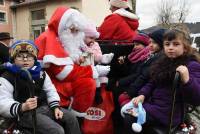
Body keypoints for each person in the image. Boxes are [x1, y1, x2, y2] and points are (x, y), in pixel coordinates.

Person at [123, 28, 200, 134]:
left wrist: (187, 80)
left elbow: (196, 98)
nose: (171, 48)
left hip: (169, 113)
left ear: (185, 48)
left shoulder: (192, 65)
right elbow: (152, 82)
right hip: (154, 106)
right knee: (126, 110)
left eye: (176, 44)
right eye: (167, 44)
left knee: (130, 118)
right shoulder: (163, 62)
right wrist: (142, 95)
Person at [34, 7, 109, 114]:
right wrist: (94, 70)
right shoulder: (50, 39)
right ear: (64, 27)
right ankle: (73, 116)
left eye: (77, 31)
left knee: (88, 83)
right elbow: (63, 73)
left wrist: (97, 59)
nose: (76, 34)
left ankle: (78, 115)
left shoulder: (67, 38)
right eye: (73, 30)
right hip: (53, 85)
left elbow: (75, 57)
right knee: (88, 82)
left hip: (63, 82)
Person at [0, 40, 81, 134]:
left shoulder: (41, 73)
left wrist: (55, 107)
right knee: (57, 131)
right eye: (20, 56)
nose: (25, 60)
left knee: (71, 119)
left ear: (34, 59)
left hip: (44, 107)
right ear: (13, 59)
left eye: (29, 56)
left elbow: (50, 90)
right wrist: (22, 107)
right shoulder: (7, 76)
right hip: (24, 114)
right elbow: (2, 101)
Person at [118, 28, 167, 105]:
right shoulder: (150, 56)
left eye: (154, 42)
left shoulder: (153, 58)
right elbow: (134, 72)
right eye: (150, 42)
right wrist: (122, 64)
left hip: (142, 90)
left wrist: (129, 91)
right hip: (139, 87)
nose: (150, 45)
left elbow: (142, 76)